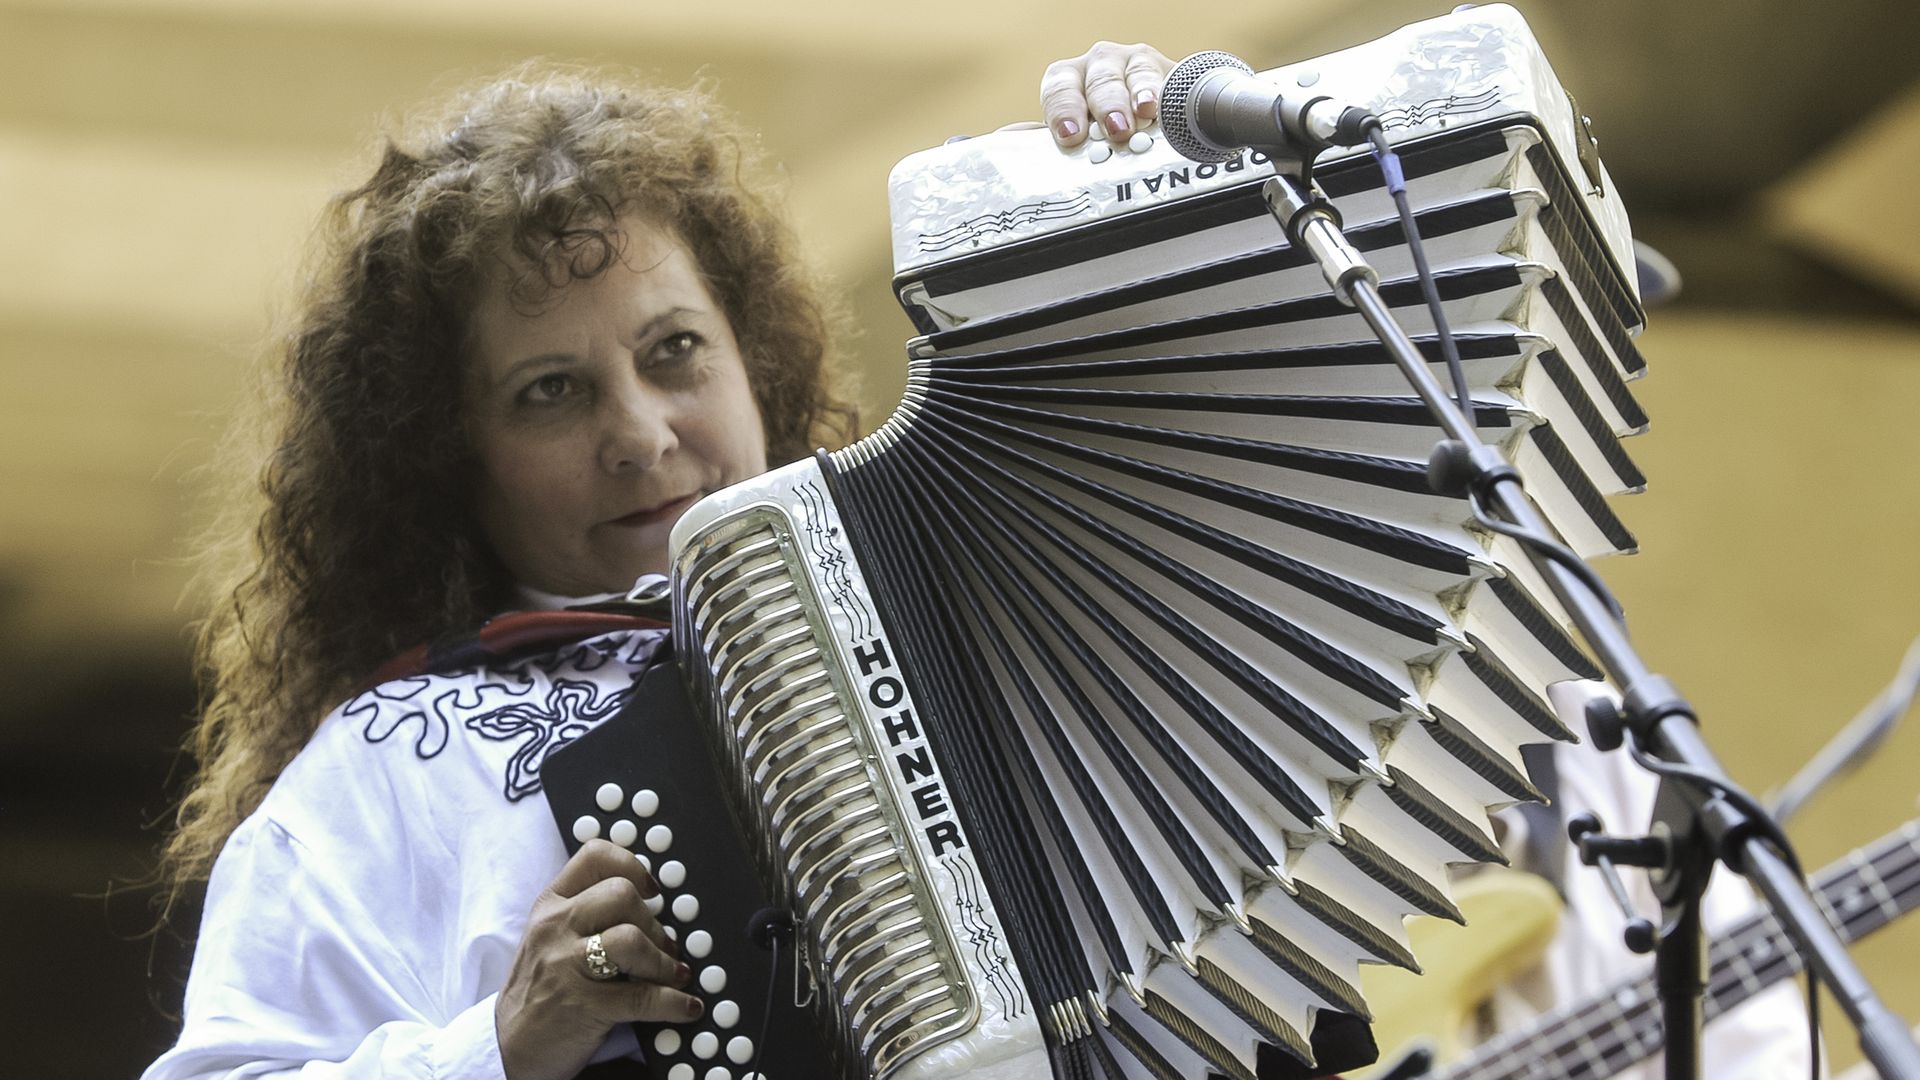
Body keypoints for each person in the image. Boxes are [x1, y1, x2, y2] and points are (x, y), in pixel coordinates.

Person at [143, 43, 1173, 1080]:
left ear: (752, 361)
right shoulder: (382, 780)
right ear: (450, 458)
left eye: (674, 349)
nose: (638, 433)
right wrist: (498, 1045)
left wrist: (1167, 158)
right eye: (551, 390)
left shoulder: (982, 590)